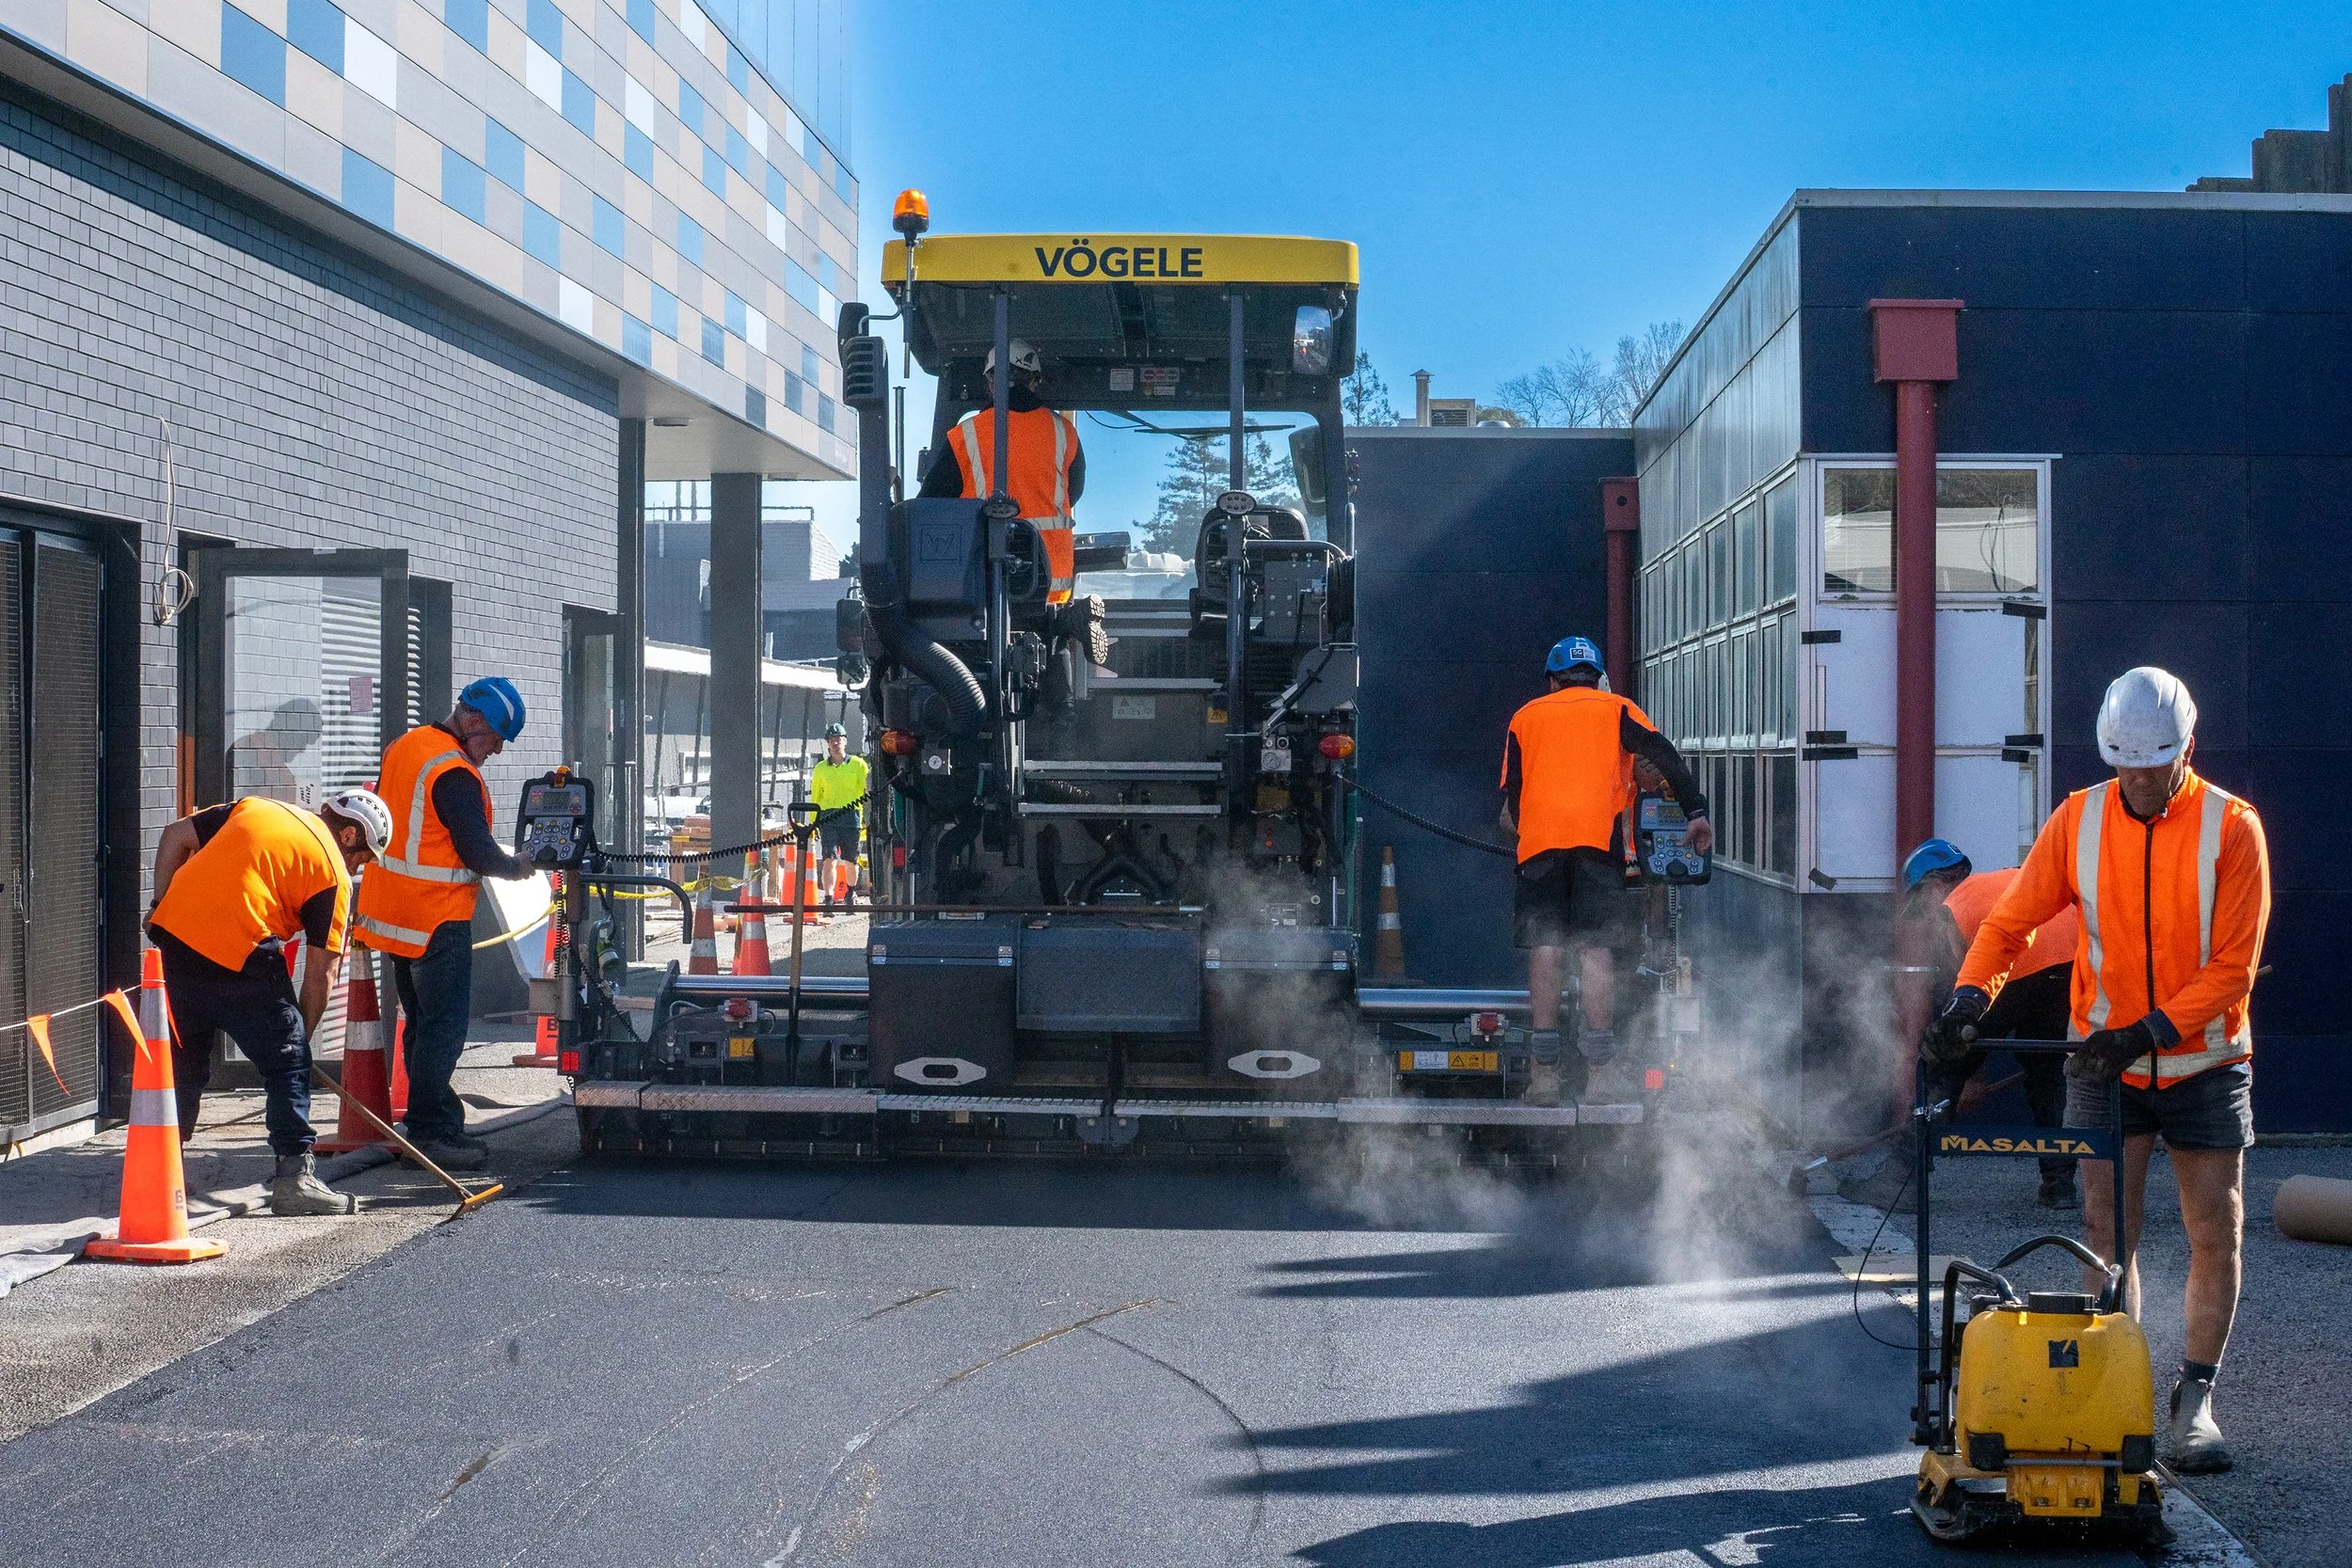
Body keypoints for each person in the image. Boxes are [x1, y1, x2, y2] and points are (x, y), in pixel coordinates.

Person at [1931, 667, 2269, 1474]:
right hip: (2103, 1062)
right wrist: (1970, 997)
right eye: (2127, 764)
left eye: (2156, 763)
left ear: (2187, 747)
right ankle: (2118, 1384)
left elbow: (2234, 968)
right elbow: (2010, 921)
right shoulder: (2079, 819)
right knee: (2106, 1229)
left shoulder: (2234, 828)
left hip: (2203, 1061)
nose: (2142, 780)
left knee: (2213, 1229)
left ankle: (2195, 1400)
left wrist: (2147, 1030)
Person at [146, 788, 392, 1215]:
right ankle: (295, 1178)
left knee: (182, 1063)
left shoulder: (257, 807)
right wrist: (299, 1049)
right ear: (350, 836)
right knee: (286, 1060)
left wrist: (158, 905)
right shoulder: (332, 873)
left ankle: (161, 1173)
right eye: (364, 858)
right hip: (241, 949)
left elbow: (173, 836)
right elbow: (322, 974)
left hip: (175, 939)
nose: (359, 868)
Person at [1501, 635, 1711, 1106]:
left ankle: (1544, 1077)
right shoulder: (1617, 709)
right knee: (1595, 951)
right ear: (1597, 677)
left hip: (1538, 849)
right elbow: (1665, 756)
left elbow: (1513, 796)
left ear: (1552, 679)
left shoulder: (1525, 717)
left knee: (1547, 946)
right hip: (1598, 846)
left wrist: (1532, 834)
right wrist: (1696, 812)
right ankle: (1600, 1075)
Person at [354, 677, 535, 1173]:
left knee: (422, 1026)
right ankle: (432, 1132)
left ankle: (430, 1121)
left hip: (397, 917)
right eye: (494, 739)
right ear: (472, 719)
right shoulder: (452, 772)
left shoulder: (405, 746)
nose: (495, 751)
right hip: (436, 917)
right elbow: (475, 851)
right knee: (444, 1030)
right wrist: (517, 865)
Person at [1842, 838, 2080, 1213]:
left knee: (1939, 1064)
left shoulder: (1956, 904)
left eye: (1920, 905)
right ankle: (2059, 1184)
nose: (1926, 916)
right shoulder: (2007, 879)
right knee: (2047, 1073)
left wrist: (1967, 1072)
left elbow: (1969, 996)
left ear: (1935, 884)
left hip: (2012, 966)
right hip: (2069, 969)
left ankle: (1901, 1180)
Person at [918, 337, 1085, 604]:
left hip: (982, 584)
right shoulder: (1065, 433)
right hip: (1051, 589)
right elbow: (1073, 493)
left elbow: (930, 506)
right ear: (1035, 381)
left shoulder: (965, 436)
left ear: (991, 382)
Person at [809, 721, 867, 913]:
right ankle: (828, 898)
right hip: (828, 817)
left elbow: (868, 792)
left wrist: (868, 818)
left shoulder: (859, 765)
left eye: (839, 739)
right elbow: (815, 797)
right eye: (832, 739)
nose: (836, 743)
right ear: (827, 743)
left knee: (851, 860)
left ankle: (850, 893)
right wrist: (813, 824)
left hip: (851, 817)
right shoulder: (820, 768)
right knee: (829, 859)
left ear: (845, 741)